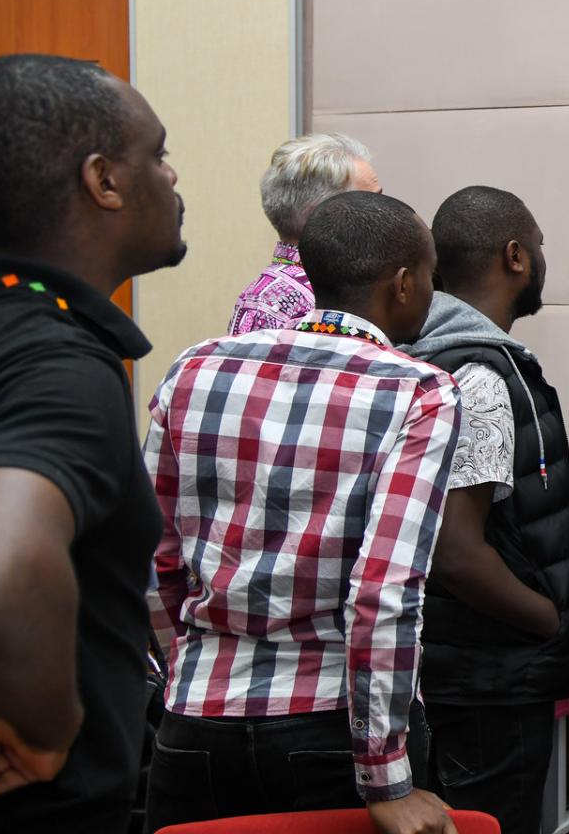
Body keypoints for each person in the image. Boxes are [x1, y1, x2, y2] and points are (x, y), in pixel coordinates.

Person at [144, 192, 461, 834]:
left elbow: (156, 556)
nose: (435, 292)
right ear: (402, 284)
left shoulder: (194, 367)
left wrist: (192, 664)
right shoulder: (417, 391)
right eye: (431, 276)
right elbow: (385, 593)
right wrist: (387, 777)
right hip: (330, 726)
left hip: (194, 717)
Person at [0, 54, 185, 832]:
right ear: (104, 182)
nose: (172, 173)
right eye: (155, 153)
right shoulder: (55, 365)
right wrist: (51, 732)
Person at [402, 186, 569, 834]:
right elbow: (455, 550)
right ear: (515, 256)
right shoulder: (479, 375)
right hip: (491, 678)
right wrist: (548, 621)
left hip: (462, 667)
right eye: (537, 246)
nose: (543, 259)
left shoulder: (431, 356)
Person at [228, 132, 381, 334]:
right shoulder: (303, 302)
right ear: (324, 213)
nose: (382, 211)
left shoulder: (285, 290)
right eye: (372, 202)